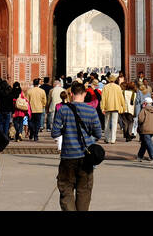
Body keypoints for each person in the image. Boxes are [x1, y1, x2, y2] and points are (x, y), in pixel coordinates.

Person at [50, 82, 102, 211]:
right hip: (86, 157)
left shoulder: (63, 110)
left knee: (66, 189)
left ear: (71, 94)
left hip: (68, 156)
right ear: (84, 94)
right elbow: (98, 133)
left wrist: (66, 131)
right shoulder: (91, 110)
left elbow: (54, 132)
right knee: (84, 191)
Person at [99, 74, 126, 144]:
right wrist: (123, 106)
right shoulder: (118, 87)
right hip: (116, 107)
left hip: (107, 107)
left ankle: (107, 138)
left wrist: (102, 107)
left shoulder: (105, 87)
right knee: (114, 124)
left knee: (107, 123)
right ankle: (113, 139)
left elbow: (103, 98)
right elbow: (121, 97)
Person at [136, 91, 153, 161]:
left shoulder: (144, 110)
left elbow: (140, 119)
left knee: (148, 143)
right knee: (144, 143)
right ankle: (139, 156)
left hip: (145, 129)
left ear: (145, 103)